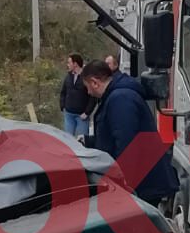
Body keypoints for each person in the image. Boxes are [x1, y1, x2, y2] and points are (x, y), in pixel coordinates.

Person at [82, 59, 177, 206]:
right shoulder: (119, 96)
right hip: (142, 181)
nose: (88, 92)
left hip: (142, 185)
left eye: (87, 87)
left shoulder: (120, 99)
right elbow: (114, 137)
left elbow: (127, 146)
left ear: (95, 82)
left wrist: (122, 187)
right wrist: (88, 141)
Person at [59, 53, 93, 140]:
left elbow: (93, 97)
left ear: (75, 64)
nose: (68, 65)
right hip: (69, 114)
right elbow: (63, 92)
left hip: (82, 116)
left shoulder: (86, 77)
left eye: (69, 62)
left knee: (82, 142)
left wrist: (87, 112)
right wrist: (62, 106)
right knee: (67, 141)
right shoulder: (68, 76)